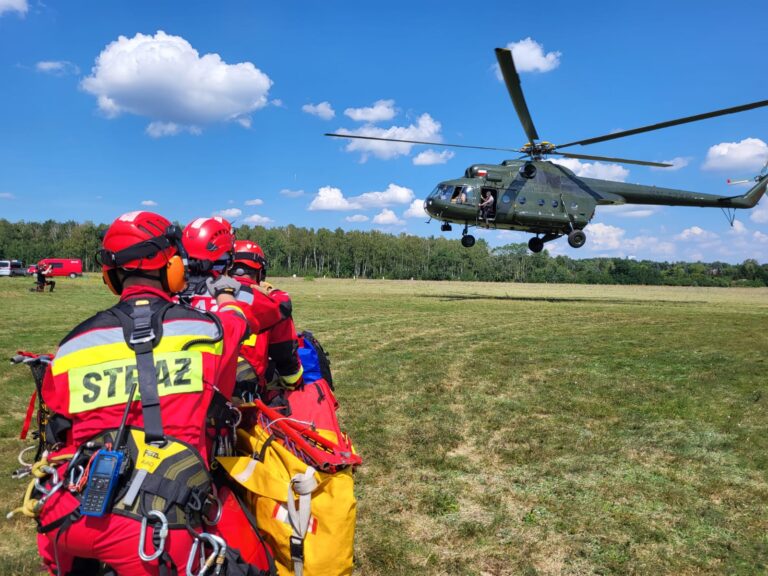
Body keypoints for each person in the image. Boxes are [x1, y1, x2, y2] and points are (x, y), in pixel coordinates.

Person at [34, 211, 263, 576]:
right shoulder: (207, 333)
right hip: (159, 526)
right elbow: (239, 324)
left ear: (110, 275)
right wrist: (227, 296)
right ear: (172, 266)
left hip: (69, 518)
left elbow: (60, 429)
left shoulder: (72, 346)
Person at [228, 240, 303, 400]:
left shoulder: (199, 295)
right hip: (247, 398)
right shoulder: (271, 305)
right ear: (261, 273)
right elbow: (286, 358)